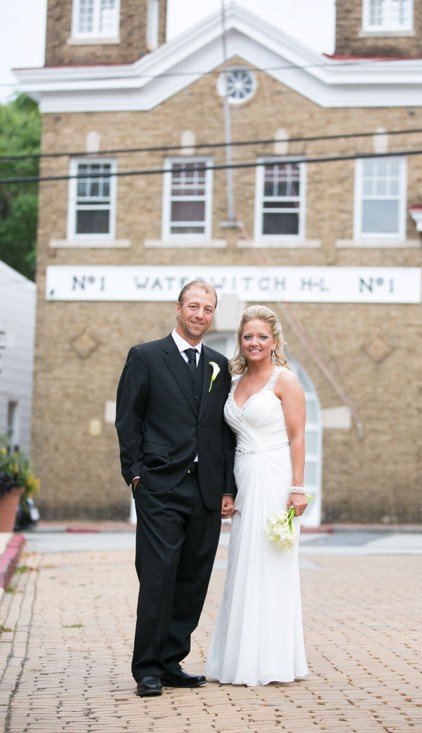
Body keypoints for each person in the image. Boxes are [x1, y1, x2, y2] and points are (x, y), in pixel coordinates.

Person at [115, 280, 237, 698]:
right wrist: (135, 474)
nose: (200, 314)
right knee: (158, 577)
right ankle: (147, 667)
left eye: (208, 308)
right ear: (178, 308)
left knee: (192, 580)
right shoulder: (146, 356)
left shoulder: (219, 364)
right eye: (194, 306)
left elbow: (223, 432)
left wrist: (226, 488)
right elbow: (128, 419)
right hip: (160, 487)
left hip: (205, 491)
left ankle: (171, 661)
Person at [205, 305, 309, 686]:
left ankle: (273, 659)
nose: (254, 342)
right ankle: (238, 658)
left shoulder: (286, 380)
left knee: (272, 564)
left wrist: (297, 488)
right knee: (241, 566)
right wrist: (227, 490)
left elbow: (298, 436)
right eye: (248, 336)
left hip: (276, 474)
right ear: (240, 341)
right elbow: (227, 442)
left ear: (274, 341)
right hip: (245, 477)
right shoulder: (233, 383)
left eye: (262, 336)